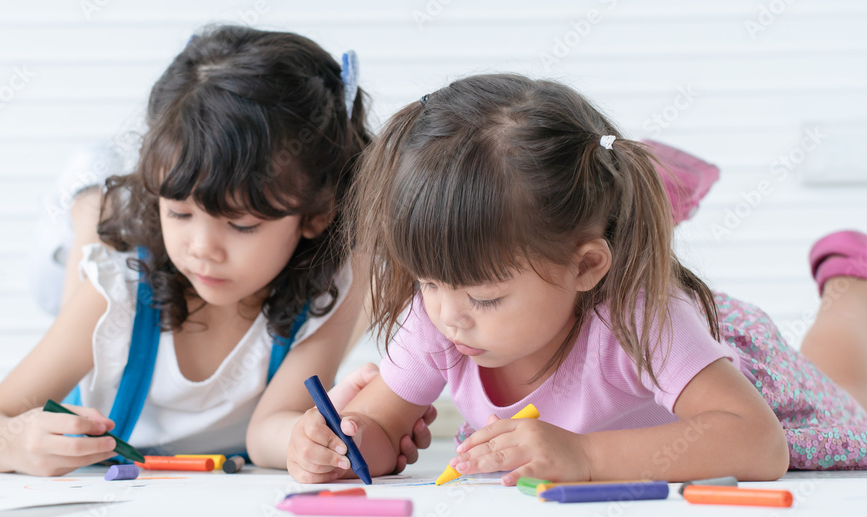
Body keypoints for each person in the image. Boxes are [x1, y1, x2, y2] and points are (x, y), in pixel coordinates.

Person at [285, 73, 867, 484]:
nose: (448, 315)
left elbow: (759, 444)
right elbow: (383, 431)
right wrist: (342, 445)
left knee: (848, 389)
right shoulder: (443, 312)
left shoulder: (644, 319)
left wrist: (584, 456)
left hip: (749, 381)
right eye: (427, 282)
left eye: (486, 297)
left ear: (587, 265)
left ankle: (849, 285)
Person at [0, 25, 431, 477]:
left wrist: (314, 440)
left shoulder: (333, 285)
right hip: (130, 261)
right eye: (180, 213)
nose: (203, 249)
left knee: (370, 254)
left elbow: (272, 429)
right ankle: (90, 201)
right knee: (94, 247)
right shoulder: (116, 289)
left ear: (315, 213)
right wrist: (16, 441)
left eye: (241, 224)